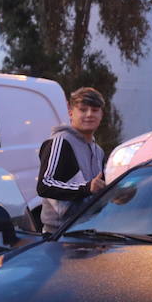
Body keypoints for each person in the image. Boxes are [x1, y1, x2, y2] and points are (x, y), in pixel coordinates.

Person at [37, 87, 108, 233]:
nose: (89, 114)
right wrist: (86, 188)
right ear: (71, 113)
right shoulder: (60, 141)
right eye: (83, 109)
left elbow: (99, 191)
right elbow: (44, 184)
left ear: (102, 115)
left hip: (91, 233)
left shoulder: (98, 151)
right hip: (59, 236)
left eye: (95, 110)